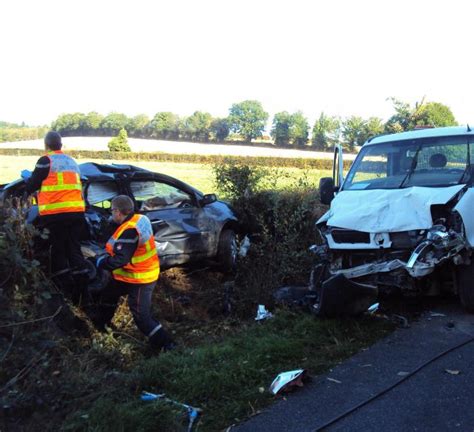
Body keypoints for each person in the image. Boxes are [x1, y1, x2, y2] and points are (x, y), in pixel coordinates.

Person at [95, 195, 174, 351]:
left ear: (118, 212)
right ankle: (102, 325)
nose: (111, 214)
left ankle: (166, 345)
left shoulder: (130, 231)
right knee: (109, 293)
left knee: (141, 316)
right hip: (131, 273)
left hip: (140, 278)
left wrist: (100, 263)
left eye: (112, 211)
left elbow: (120, 260)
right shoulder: (139, 219)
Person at [22, 131, 89, 301]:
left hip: (56, 215)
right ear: (61, 145)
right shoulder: (72, 162)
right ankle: (84, 291)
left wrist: (26, 187)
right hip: (76, 214)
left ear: (46, 145)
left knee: (58, 250)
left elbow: (33, 184)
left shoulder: (46, 161)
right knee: (74, 249)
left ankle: (67, 292)